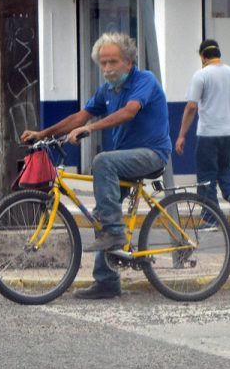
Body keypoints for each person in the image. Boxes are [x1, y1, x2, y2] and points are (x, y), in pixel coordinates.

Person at [21, 32, 172, 300]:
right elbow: (80, 115)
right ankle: (106, 282)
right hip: (124, 159)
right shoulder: (106, 90)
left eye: (113, 62)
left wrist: (89, 128)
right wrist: (42, 134)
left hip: (152, 153)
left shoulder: (144, 81)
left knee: (103, 161)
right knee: (100, 212)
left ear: (128, 61)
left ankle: (115, 233)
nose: (107, 69)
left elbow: (129, 112)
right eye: (103, 63)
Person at [175, 40, 230, 222]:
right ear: (218, 55)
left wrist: (181, 135)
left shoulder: (201, 76)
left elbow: (191, 107)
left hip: (208, 133)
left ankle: (209, 218)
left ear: (203, 56)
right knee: (224, 167)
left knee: (206, 175)